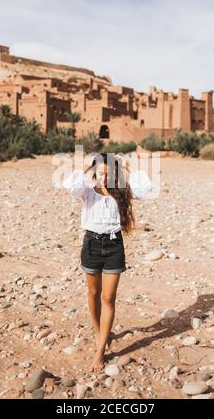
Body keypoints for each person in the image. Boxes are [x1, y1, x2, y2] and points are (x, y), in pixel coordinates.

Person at [62, 152, 154, 372]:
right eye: (99, 173)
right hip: (91, 245)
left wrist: (127, 170)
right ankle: (99, 330)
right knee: (93, 294)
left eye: (108, 173)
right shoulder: (87, 190)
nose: (103, 178)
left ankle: (100, 350)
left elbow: (146, 190)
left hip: (114, 247)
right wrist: (85, 166)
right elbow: (70, 186)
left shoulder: (122, 191)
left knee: (108, 298)